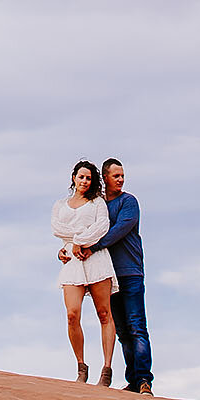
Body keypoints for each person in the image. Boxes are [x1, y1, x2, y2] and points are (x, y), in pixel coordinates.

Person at [51, 158, 117, 383]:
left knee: (104, 313)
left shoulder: (98, 203)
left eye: (89, 178)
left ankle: (106, 369)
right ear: (74, 178)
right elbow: (57, 228)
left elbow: (102, 227)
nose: (85, 181)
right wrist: (76, 241)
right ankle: (81, 366)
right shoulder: (61, 205)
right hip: (72, 260)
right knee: (72, 314)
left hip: (96, 258)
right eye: (81, 177)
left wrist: (80, 240)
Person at [94, 158, 152, 394]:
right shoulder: (98, 205)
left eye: (122, 176)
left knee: (137, 326)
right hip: (108, 275)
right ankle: (133, 380)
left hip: (131, 272)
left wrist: (94, 245)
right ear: (105, 177)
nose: (121, 179)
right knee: (122, 331)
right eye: (116, 176)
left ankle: (144, 380)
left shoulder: (129, 202)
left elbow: (119, 230)